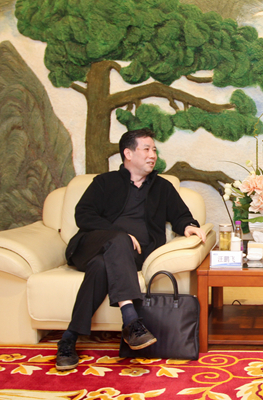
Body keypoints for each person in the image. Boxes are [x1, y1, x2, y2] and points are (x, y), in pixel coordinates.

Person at [55, 128, 206, 371]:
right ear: (128, 153)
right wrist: (120, 234)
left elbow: (181, 215)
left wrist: (189, 226)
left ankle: (69, 339)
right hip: (90, 246)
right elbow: (83, 215)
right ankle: (131, 320)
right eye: (146, 149)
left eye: (154, 149)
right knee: (118, 241)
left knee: (101, 267)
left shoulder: (162, 187)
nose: (152, 155)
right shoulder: (104, 182)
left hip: (131, 257)